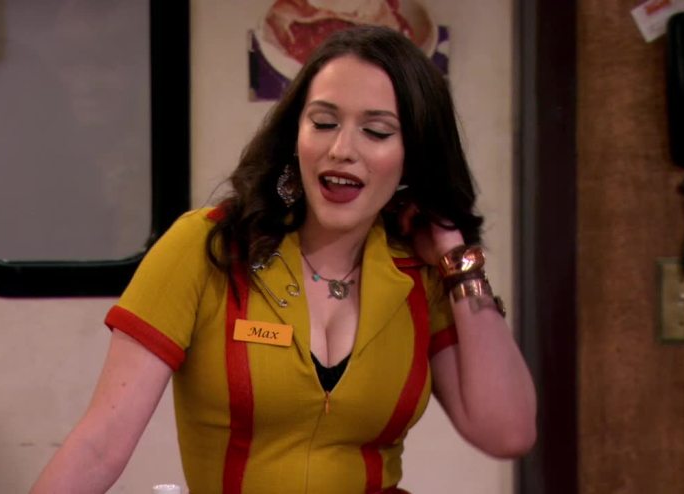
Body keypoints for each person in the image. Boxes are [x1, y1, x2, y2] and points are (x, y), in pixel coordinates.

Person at [30, 25, 536, 494]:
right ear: (296, 136)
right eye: (323, 122)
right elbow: (98, 447)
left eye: (377, 132)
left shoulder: (420, 273)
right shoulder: (208, 246)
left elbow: (508, 431)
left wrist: (456, 258)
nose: (341, 149)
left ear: (414, 156)